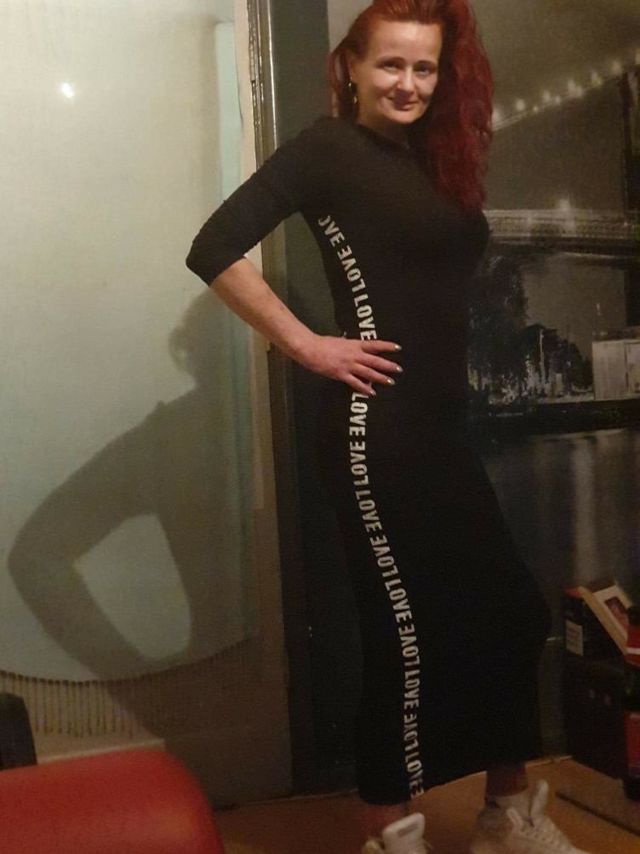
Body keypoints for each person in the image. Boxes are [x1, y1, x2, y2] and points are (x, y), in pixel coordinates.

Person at [186, 2, 590, 852]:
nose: (408, 83)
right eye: (391, 65)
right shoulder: (327, 150)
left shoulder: (428, 163)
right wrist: (308, 344)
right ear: (352, 68)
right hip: (377, 434)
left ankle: (503, 817)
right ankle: (390, 836)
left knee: (509, 613)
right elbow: (214, 245)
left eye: (424, 68)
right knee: (405, 637)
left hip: (439, 432)